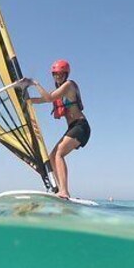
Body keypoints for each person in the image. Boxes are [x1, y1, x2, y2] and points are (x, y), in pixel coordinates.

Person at [27, 59, 91, 199]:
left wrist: (35, 83)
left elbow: (49, 98)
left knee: (59, 154)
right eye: (55, 74)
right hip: (73, 127)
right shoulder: (59, 91)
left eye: (61, 74)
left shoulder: (68, 85)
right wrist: (27, 101)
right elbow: (43, 99)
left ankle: (64, 191)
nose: (58, 76)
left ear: (66, 74)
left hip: (81, 126)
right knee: (52, 157)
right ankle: (59, 190)